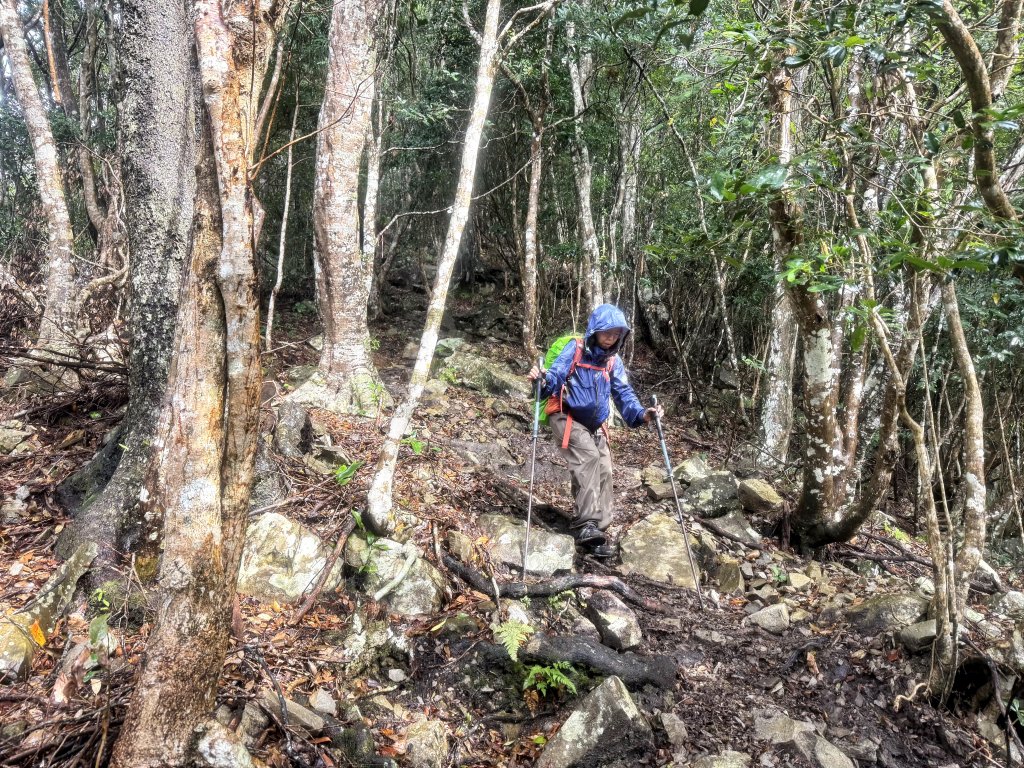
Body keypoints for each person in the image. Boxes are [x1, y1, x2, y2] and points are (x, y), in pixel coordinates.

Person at [528, 304, 661, 558]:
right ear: (595, 330)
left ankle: (597, 532)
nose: (611, 337)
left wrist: (643, 414)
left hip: (594, 424)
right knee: (587, 457)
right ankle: (586, 523)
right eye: (607, 331)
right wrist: (542, 381)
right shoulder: (576, 349)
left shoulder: (613, 362)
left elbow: (624, 394)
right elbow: (554, 376)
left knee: (605, 467)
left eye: (616, 333)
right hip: (565, 414)